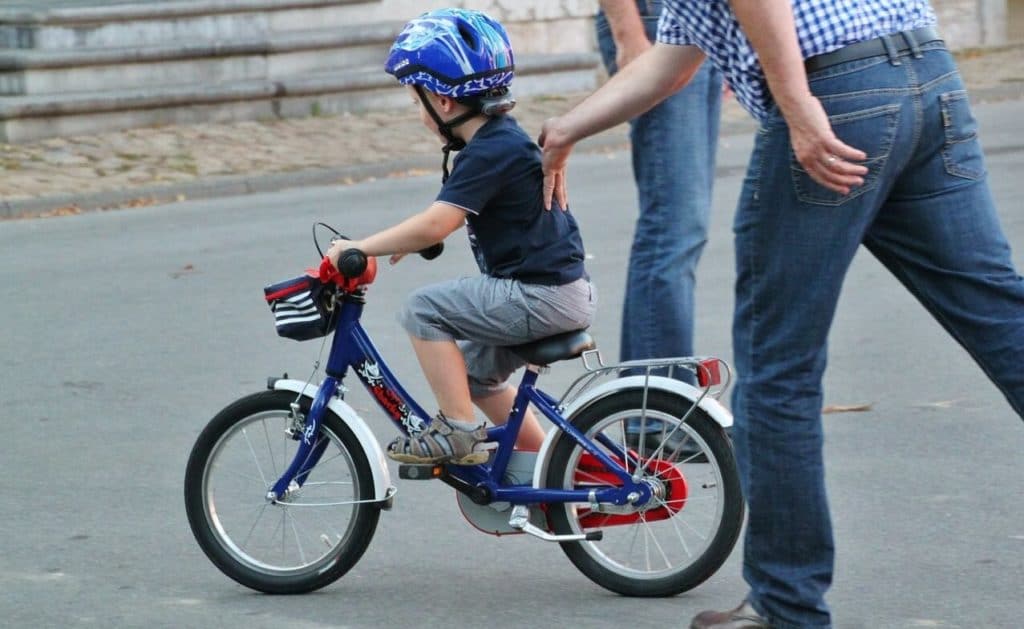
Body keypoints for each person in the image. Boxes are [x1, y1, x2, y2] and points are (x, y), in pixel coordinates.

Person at [539, 1, 1024, 627]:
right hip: (927, 75)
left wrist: (795, 107)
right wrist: (567, 127)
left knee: (778, 369)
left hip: (834, 91)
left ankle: (786, 606)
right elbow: (675, 61)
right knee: (999, 315)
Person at [327, 8, 596, 466]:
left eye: (417, 101)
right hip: (558, 292)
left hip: (539, 295)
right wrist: (409, 241)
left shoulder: (490, 151)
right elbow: (446, 218)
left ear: (442, 101)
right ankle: (546, 467)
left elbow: (438, 222)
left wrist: (359, 247)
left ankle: (457, 429)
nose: (419, 112)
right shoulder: (496, 142)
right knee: (473, 376)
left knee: (422, 309)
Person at [596, 0, 721, 374]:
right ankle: (655, 406)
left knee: (679, 229)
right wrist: (627, 31)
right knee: (673, 227)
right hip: (654, 24)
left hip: (701, 28)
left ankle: (648, 400)